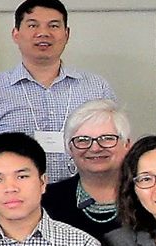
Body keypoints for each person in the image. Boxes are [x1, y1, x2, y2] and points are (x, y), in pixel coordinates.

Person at [0, 0, 116, 183]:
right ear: (16, 34)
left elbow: (114, 147)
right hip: (15, 201)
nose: (43, 33)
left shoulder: (97, 88)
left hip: (85, 200)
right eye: (33, 25)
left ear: (67, 34)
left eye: (53, 26)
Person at [44, 100, 134, 236]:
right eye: (82, 140)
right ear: (70, 149)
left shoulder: (148, 195)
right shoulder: (47, 201)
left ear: (127, 145)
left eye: (106, 138)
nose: (95, 148)